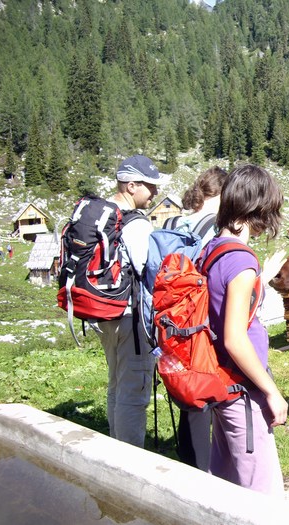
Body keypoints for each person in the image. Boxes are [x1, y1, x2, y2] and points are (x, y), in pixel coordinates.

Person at [205, 163, 287, 495]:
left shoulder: (212, 250)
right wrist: (271, 391)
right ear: (257, 209)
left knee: (226, 486)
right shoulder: (240, 261)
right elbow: (235, 338)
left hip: (220, 386)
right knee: (263, 497)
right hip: (242, 393)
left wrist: (261, 279)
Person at [99, 154, 170, 448]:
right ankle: (130, 462)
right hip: (130, 317)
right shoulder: (135, 224)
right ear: (131, 186)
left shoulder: (104, 215)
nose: (154, 193)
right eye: (149, 186)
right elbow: (149, 270)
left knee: (116, 381)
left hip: (104, 313)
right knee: (135, 389)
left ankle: (116, 448)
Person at [173, 165, 229, 472]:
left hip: (172, 321)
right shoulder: (210, 226)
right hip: (199, 321)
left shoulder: (174, 221)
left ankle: (187, 456)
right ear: (221, 194)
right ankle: (202, 470)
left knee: (185, 390)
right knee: (202, 393)